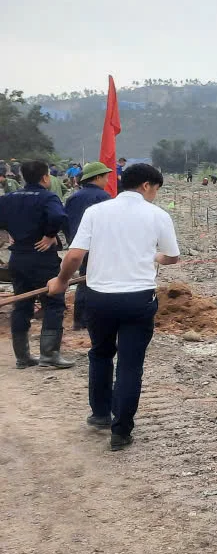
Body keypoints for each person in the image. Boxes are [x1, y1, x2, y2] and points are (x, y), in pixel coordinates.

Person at [47, 163, 181, 450]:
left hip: (99, 298)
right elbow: (172, 257)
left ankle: (99, 414)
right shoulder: (157, 215)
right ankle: (121, 432)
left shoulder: (96, 212)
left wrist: (60, 282)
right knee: (131, 365)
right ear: (146, 185)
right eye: (155, 189)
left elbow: (73, 256)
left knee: (100, 353)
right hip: (138, 300)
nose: (155, 195)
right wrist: (152, 256)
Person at [0, 161, 72, 368]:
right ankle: (49, 355)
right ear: (45, 178)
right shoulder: (47, 197)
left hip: (18, 258)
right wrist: (50, 235)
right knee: (53, 303)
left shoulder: (9, 198)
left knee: (22, 304)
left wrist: (10, 233)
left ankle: (22, 357)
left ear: (22, 177)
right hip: (41, 257)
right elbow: (58, 216)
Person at [64, 162, 113, 331]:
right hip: (98, 245)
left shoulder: (73, 197)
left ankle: (79, 319)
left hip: (77, 245)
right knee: (98, 281)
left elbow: (65, 221)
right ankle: (94, 319)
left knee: (83, 279)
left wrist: (71, 239)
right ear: (97, 177)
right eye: (106, 177)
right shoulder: (104, 198)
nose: (107, 180)